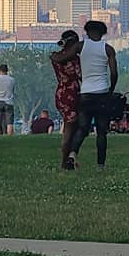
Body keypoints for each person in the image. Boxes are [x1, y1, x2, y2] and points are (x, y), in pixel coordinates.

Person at [58, 20, 118, 170]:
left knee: (83, 128)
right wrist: (111, 89)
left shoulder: (81, 46)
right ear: (102, 33)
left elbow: (63, 58)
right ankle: (100, 165)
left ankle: (72, 154)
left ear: (87, 32)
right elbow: (114, 73)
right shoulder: (108, 49)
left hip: (86, 93)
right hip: (102, 93)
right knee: (101, 131)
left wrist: (54, 56)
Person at [50, 29, 82, 168]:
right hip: (72, 94)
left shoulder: (56, 57)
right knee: (70, 130)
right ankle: (65, 161)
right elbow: (81, 75)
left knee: (70, 126)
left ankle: (69, 158)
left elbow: (54, 57)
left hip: (60, 93)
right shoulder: (74, 59)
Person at [0, 64, 16, 136]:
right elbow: (13, 90)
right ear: (7, 70)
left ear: (0, 70)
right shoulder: (12, 79)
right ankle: (10, 136)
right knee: (9, 123)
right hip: (9, 102)